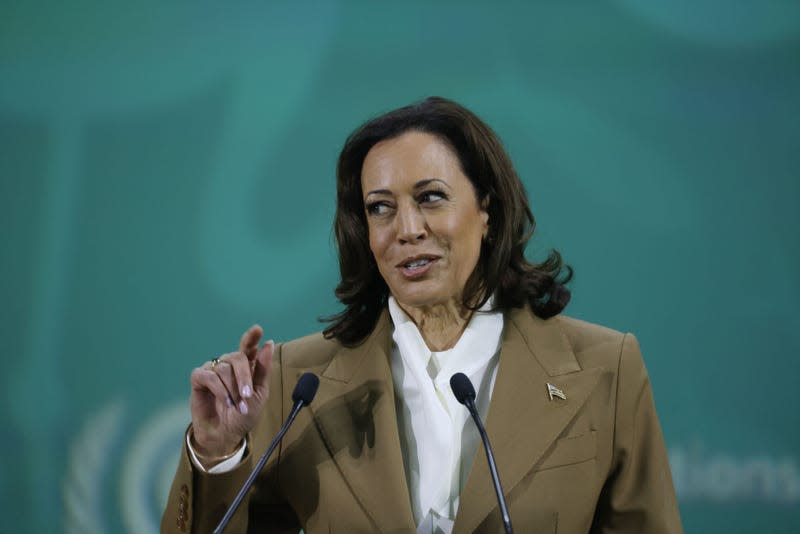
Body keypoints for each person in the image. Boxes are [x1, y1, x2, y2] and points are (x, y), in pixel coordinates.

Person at [162, 96, 683, 533]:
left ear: (488, 209)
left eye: (430, 198)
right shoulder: (297, 383)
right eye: (380, 208)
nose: (406, 229)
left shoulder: (606, 369)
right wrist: (219, 453)